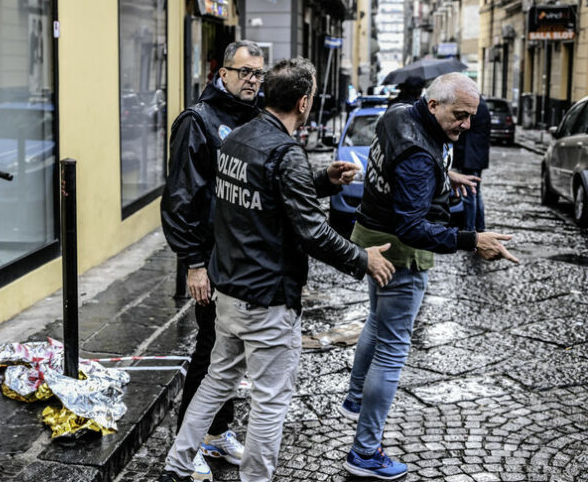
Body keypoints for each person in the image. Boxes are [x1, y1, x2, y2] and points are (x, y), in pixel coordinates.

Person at [157, 57, 396, 482]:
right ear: (303, 103)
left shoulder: (235, 138)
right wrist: (365, 259)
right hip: (267, 298)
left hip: (229, 290)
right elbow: (311, 231)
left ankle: (176, 466)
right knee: (270, 401)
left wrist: (322, 180)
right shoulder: (284, 150)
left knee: (216, 382)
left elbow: (266, 193)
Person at [340, 73, 519, 480]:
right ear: (434, 105)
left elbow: (407, 166)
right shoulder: (421, 155)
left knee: (375, 322)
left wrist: (444, 175)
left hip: (370, 236)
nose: (467, 125)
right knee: (392, 350)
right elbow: (413, 226)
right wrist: (473, 239)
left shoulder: (397, 114)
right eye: (460, 115)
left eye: (471, 116)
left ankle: (354, 399)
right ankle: (364, 453)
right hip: (400, 254)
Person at [160, 40, 265, 480]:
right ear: (222, 73)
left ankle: (217, 431)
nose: (252, 81)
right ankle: (189, 439)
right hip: (211, 261)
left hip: (241, 260)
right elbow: (180, 201)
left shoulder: (255, 119)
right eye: (244, 72)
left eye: (258, 74)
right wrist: (194, 264)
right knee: (209, 352)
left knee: (230, 354)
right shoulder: (198, 121)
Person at [453, 97, 491, 231]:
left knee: (469, 196)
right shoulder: (483, 105)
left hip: (469, 156)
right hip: (477, 156)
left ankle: (469, 230)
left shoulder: (475, 106)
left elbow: (464, 127)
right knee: (476, 194)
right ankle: (480, 228)